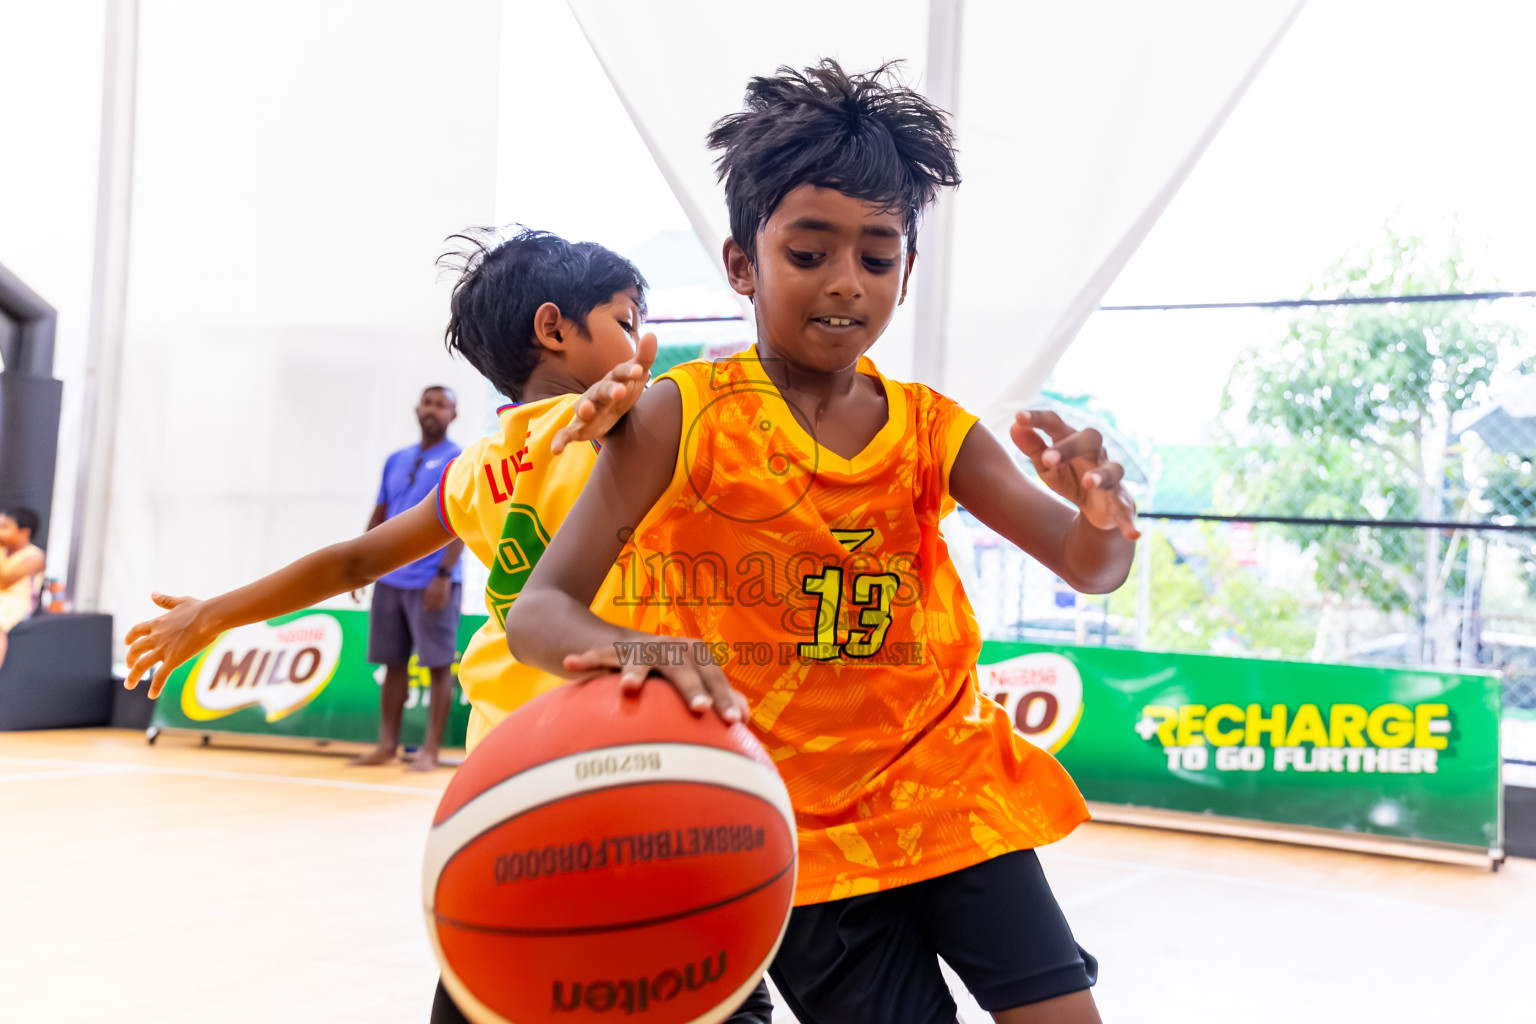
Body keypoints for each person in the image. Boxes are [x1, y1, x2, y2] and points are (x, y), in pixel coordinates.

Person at [505, 61, 1140, 1024]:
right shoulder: (682, 416)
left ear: (907, 271)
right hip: (792, 832)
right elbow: (540, 614)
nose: (847, 283)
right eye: (809, 255)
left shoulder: (934, 430)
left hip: (951, 790)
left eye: (878, 259)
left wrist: (1102, 520)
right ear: (742, 264)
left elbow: (1090, 567)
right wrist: (648, 651)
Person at [121, 226, 773, 1024]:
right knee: (711, 984)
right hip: (636, 755)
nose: (639, 342)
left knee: (496, 980)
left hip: (512, 768)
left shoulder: (476, 468)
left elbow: (353, 561)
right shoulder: (640, 428)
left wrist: (213, 612)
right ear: (554, 328)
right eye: (627, 319)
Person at [355, 386, 465, 771]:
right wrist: (359, 565)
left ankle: (431, 751)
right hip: (389, 578)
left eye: (442, 404)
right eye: (428, 402)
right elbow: (380, 513)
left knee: (437, 666)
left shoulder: (460, 459)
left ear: (454, 414)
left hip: (433, 580)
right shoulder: (395, 459)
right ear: (417, 408)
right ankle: (387, 746)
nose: (433, 409)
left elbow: (463, 523)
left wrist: (443, 575)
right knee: (392, 664)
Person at [0, 507, 45, 671]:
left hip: (19, 602)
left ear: (23, 532)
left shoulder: (35, 557)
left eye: (4, 527)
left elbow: (4, 580)